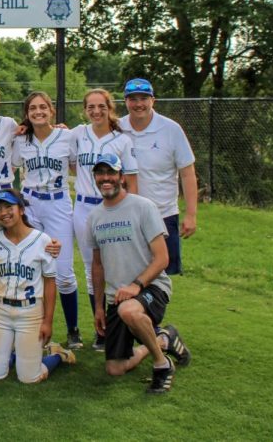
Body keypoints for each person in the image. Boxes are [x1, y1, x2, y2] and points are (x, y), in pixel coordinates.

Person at [89, 154, 192, 395]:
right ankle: (163, 340)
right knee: (114, 368)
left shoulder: (143, 207)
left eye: (111, 173)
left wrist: (136, 285)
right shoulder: (94, 217)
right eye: (100, 174)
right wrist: (99, 307)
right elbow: (97, 265)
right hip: (118, 296)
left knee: (129, 310)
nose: (106, 179)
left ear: (121, 177)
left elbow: (162, 259)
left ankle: (162, 365)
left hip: (150, 287)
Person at [69, 88, 138, 350]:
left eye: (101, 106)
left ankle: (121, 326)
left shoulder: (122, 139)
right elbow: (71, 162)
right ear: (85, 109)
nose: (96, 111)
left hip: (113, 208)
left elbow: (130, 178)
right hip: (85, 207)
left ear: (110, 107)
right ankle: (101, 331)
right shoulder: (78, 133)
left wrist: (132, 208)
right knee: (91, 269)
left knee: (118, 268)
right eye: (91, 107)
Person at [0, 189, 76, 384]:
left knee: (30, 378)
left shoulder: (43, 241)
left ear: (22, 209)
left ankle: (58, 355)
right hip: (0, 311)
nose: (4, 213)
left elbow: (50, 283)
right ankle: (19, 353)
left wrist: (47, 321)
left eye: (9, 207)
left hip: (30, 312)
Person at [12, 91, 82, 349]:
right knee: (33, 266)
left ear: (52, 110)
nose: (38, 112)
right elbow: (13, 165)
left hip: (58, 202)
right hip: (31, 203)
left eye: (43, 107)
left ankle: (73, 329)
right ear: (27, 113)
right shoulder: (21, 140)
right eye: (32, 108)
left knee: (63, 271)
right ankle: (35, 325)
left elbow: (76, 166)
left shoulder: (67, 136)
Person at [120, 78, 198, 275]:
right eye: (133, 99)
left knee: (162, 275)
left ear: (153, 100)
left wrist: (191, 214)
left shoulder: (171, 129)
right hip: (127, 215)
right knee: (129, 272)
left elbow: (187, 173)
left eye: (144, 98)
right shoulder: (117, 128)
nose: (138, 104)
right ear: (125, 102)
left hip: (163, 214)